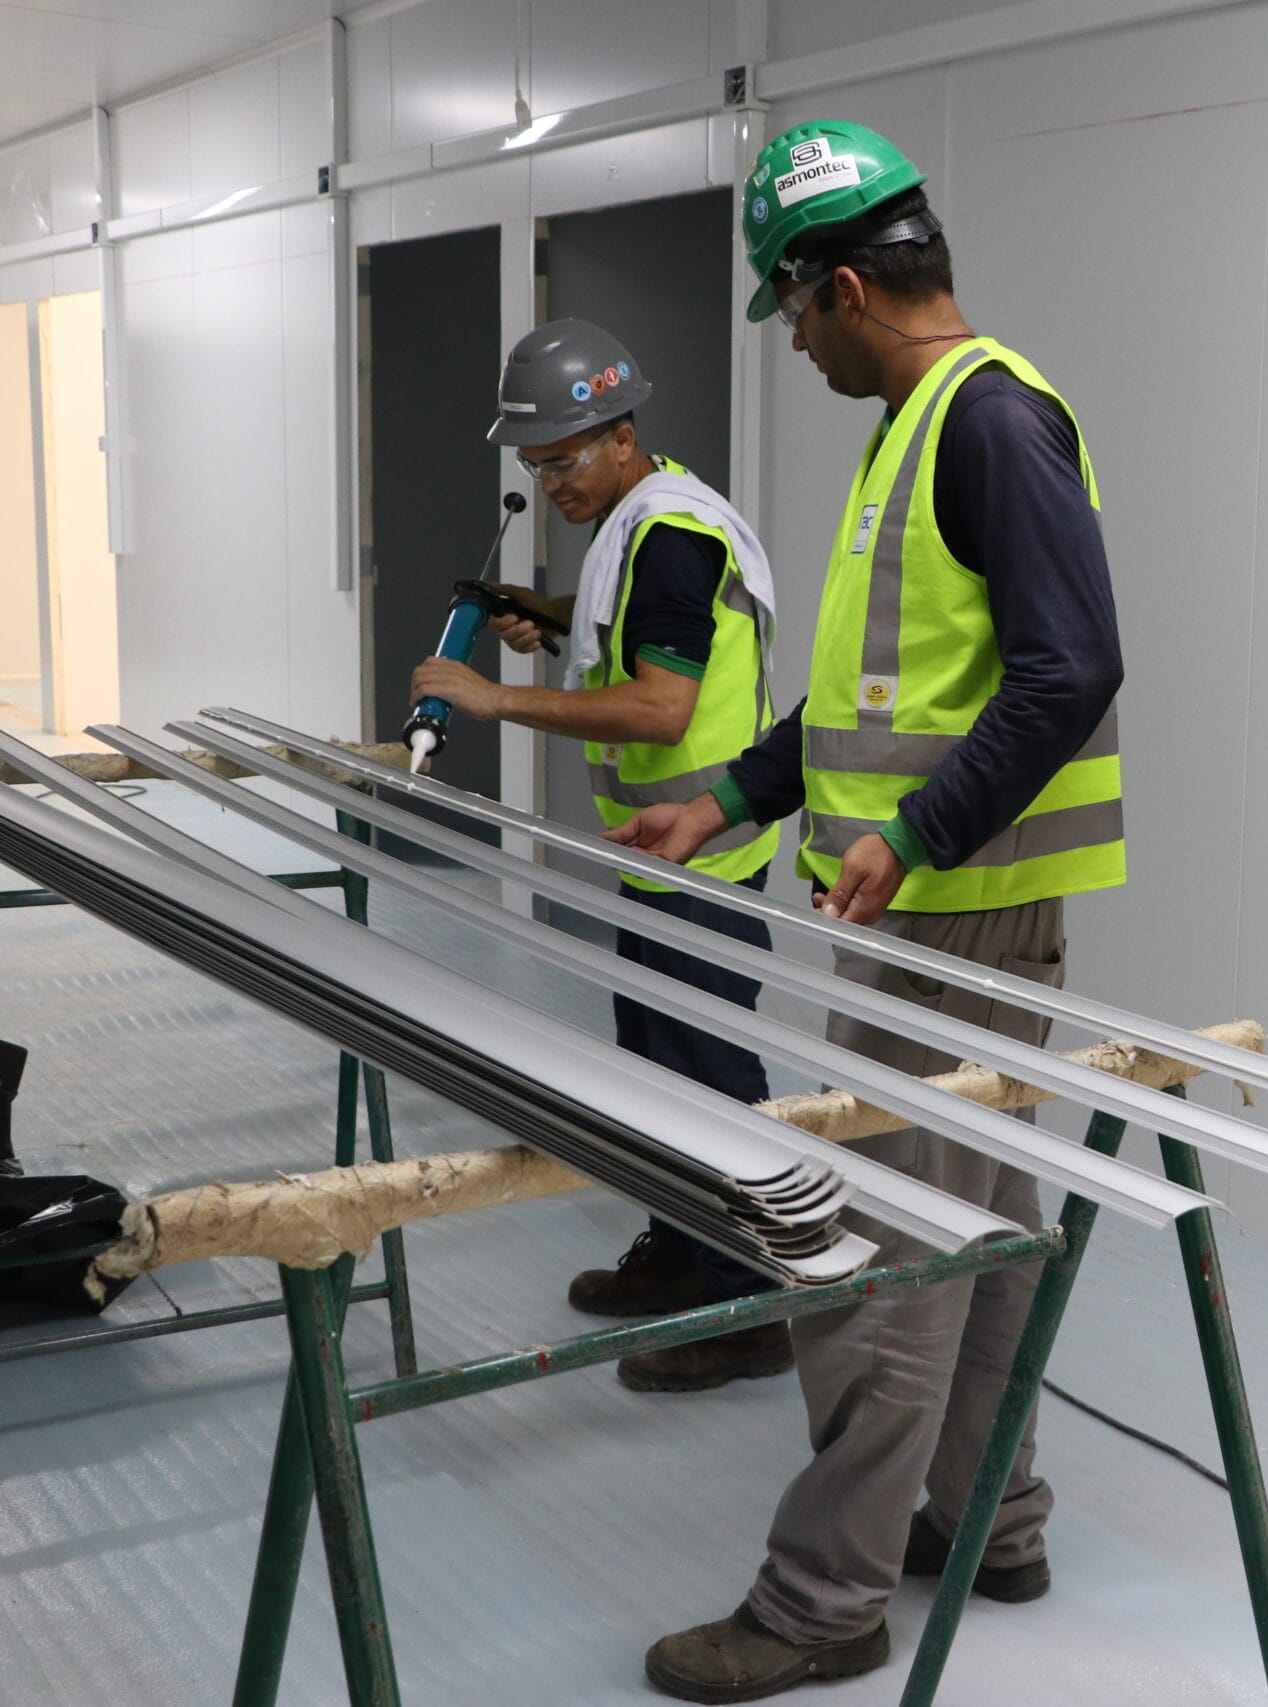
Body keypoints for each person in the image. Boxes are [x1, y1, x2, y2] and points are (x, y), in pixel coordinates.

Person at [621, 122, 1125, 1700]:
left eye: (792, 308)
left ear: (846, 286)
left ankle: (822, 1599)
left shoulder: (989, 424)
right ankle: (991, 1515)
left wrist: (916, 834)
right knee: (986, 1229)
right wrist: (731, 796)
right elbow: (862, 702)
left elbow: (1072, 666)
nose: (793, 342)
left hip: (953, 917)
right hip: (947, 909)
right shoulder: (915, 431)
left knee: (876, 1255)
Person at [410, 318, 795, 1391]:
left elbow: (663, 707)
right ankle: (682, 1252)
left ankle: (758, 1303)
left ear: (621, 434)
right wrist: (541, 615)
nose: (550, 486)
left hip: (703, 859)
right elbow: (630, 628)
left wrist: (496, 698)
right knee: (655, 1069)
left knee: (713, 1082)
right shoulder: (643, 514)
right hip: (656, 856)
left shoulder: (671, 533)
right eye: (535, 467)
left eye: (562, 461)